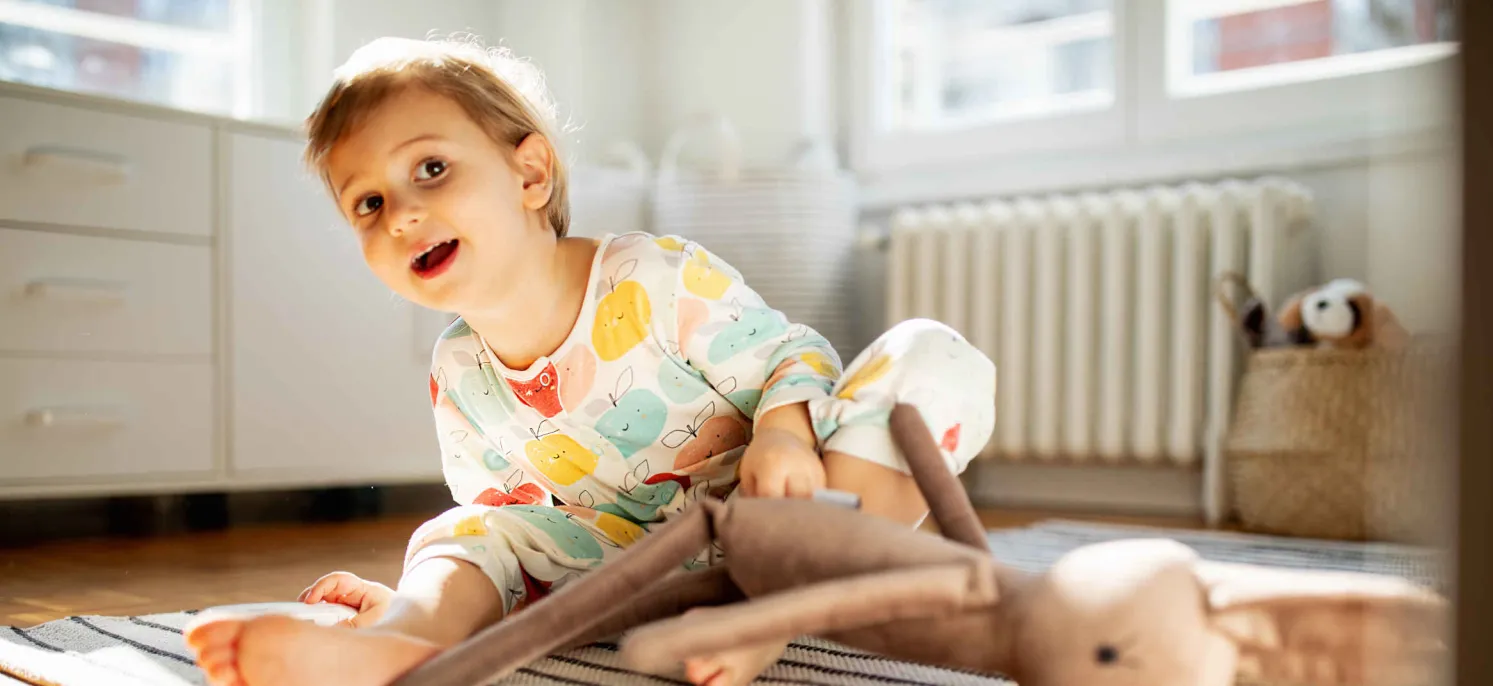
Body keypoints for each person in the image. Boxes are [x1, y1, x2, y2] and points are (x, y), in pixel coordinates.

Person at [184, 36, 995, 686]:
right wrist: (442, 590)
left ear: (530, 173)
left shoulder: (652, 278)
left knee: (929, 357)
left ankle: (766, 616)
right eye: (368, 203)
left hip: (788, 525)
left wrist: (784, 435)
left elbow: (796, 355)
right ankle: (406, 639)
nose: (401, 215)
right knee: (462, 528)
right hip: (638, 570)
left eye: (431, 169)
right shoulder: (457, 368)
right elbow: (509, 527)